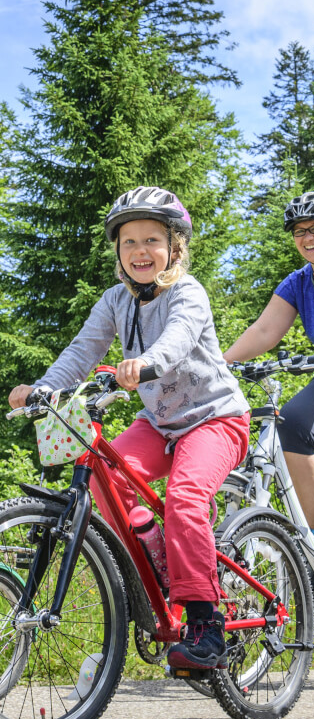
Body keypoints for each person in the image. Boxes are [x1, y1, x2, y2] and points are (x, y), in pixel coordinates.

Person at [8, 185, 250, 671]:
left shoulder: (188, 291)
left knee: (184, 498)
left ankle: (207, 624)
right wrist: (42, 386)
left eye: (153, 240)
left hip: (215, 419)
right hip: (159, 424)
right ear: (118, 252)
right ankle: (162, 565)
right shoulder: (115, 300)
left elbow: (178, 340)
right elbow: (82, 351)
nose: (141, 251)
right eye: (130, 242)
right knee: (104, 475)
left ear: (174, 247)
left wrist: (145, 363)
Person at [224, 190, 314, 547]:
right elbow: (264, 331)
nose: (308, 237)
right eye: (300, 231)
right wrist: (222, 363)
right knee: (289, 427)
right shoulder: (298, 282)